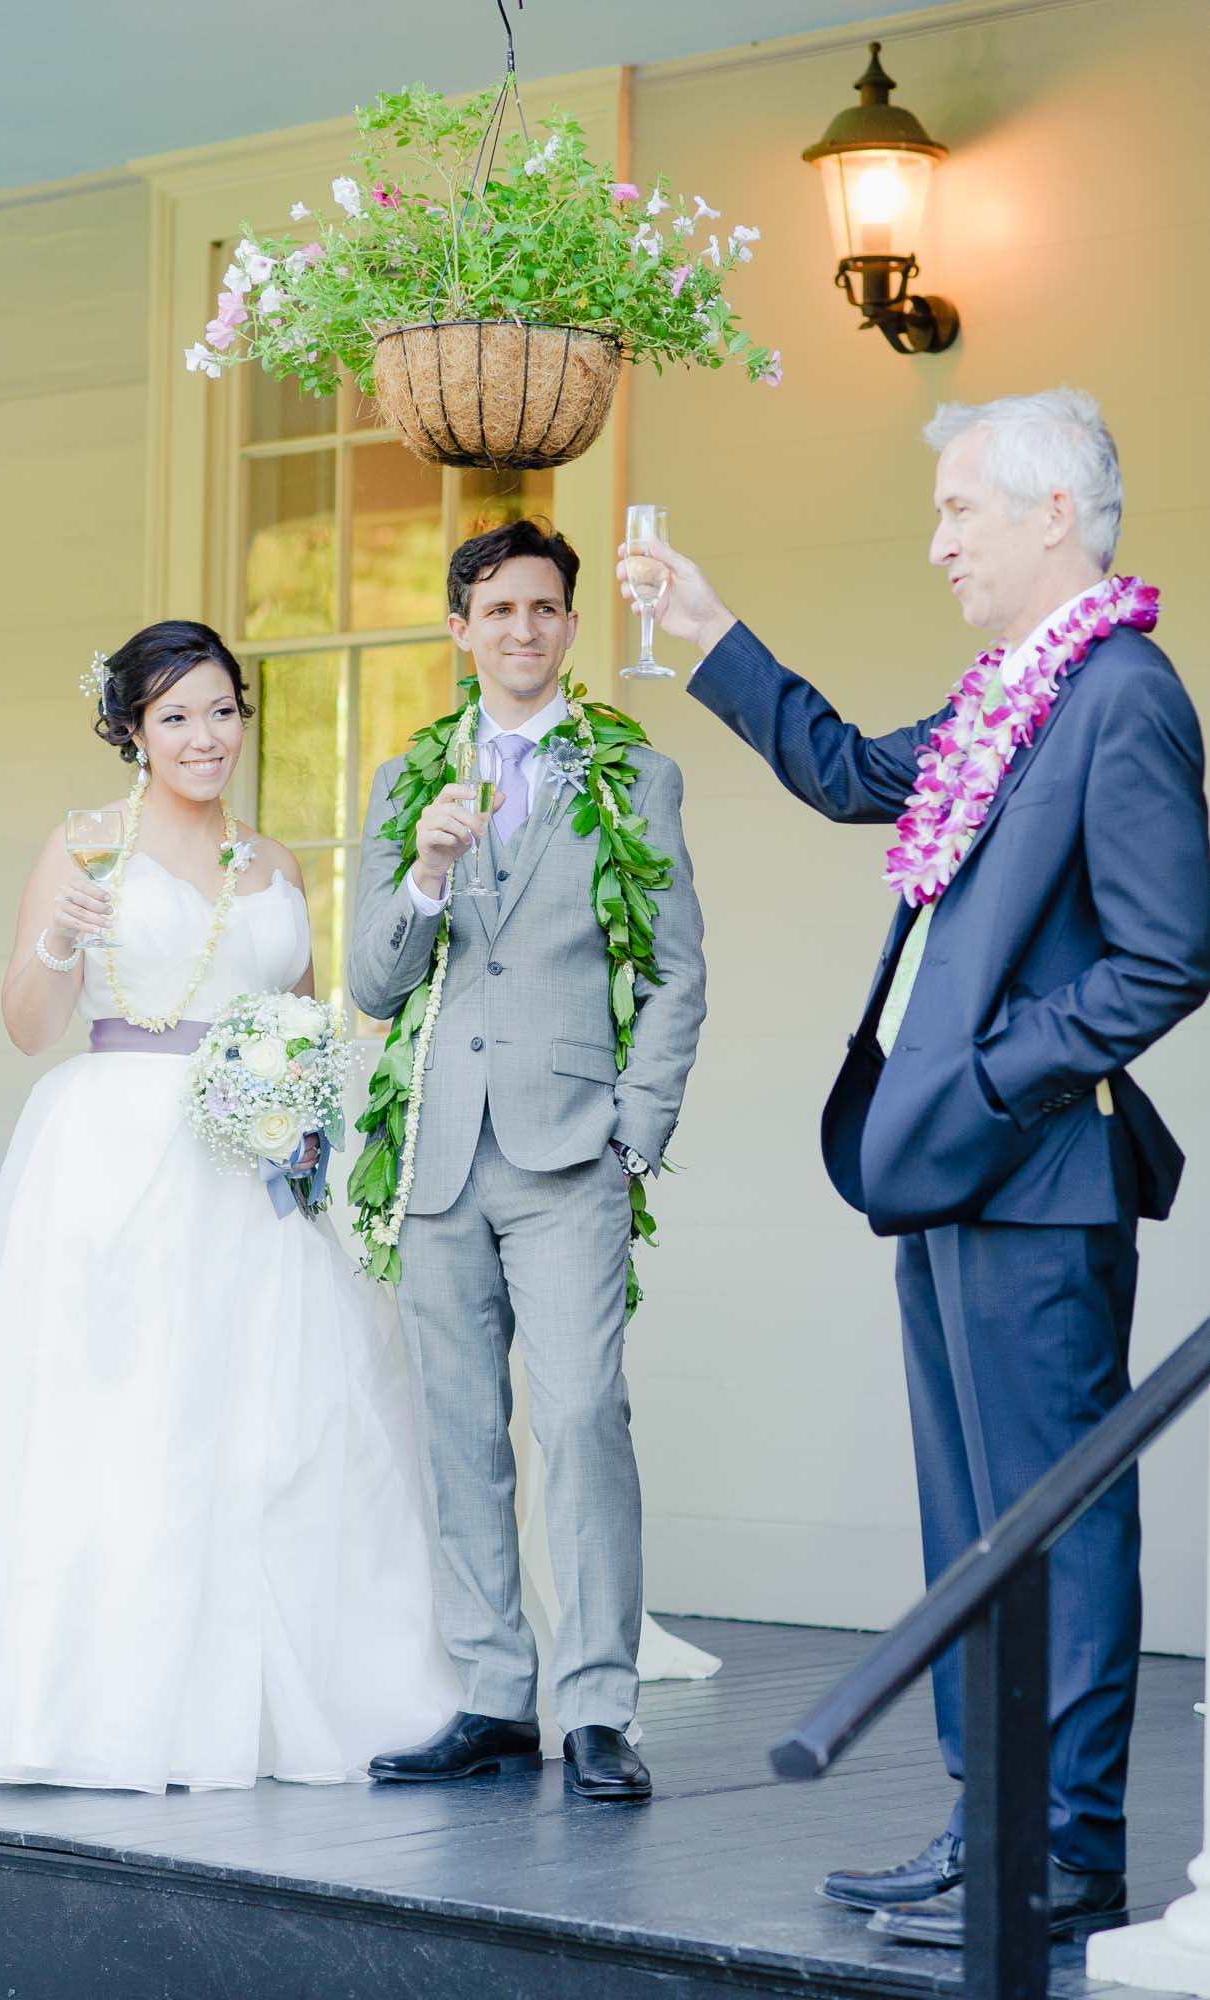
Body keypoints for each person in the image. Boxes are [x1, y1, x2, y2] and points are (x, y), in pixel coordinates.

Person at [619, 389, 1210, 1935]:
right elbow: (847, 774)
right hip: (947, 1168)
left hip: (1034, 1170)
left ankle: (1061, 1853)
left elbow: (1166, 954)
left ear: (1050, 514)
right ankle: (986, 1826)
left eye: (956, 509)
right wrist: (705, 631)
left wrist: (995, 1075)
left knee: (1050, 1522)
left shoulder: (1120, 693)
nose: (935, 540)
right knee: (970, 1530)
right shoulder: (1010, 690)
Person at [0, 620, 459, 1791]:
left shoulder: (275, 860)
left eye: (222, 710)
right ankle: (104, 1698)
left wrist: (300, 1111)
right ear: (133, 731)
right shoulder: (85, 845)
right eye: (176, 715)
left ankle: (275, 1697)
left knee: (273, 1425)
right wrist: (59, 935)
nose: (205, 735)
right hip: (116, 1158)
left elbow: (302, 1018)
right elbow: (28, 1024)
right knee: (128, 1415)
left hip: (254, 1171)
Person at [350, 521, 707, 1801]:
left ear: (569, 623)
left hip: (570, 1154)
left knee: (580, 1414)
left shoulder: (634, 775)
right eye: (497, 608)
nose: (521, 628)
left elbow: (674, 970)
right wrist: (428, 873)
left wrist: (633, 1129)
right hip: (437, 1151)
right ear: (460, 629)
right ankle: (494, 1694)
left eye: (543, 607)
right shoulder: (407, 780)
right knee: (461, 1431)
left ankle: (598, 1704)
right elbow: (373, 983)